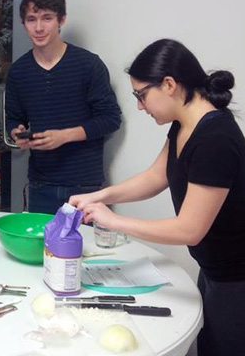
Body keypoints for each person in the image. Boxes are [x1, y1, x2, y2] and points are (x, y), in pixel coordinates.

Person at [70, 39, 245, 356]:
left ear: (169, 84)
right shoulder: (184, 125)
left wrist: (113, 220)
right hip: (214, 268)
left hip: (237, 277)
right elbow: (156, 176)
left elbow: (189, 230)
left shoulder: (215, 139)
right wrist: (99, 196)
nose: (139, 105)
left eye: (141, 95)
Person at [5, 0, 122, 214]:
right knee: (41, 247)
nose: (38, 27)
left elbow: (110, 118)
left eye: (47, 18)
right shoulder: (18, 71)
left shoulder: (88, 65)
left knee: (82, 248)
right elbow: (13, 118)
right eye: (31, 20)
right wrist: (16, 133)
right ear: (24, 23)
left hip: (85, 185)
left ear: (61, 20)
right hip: (40, 183)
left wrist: (64, 136)